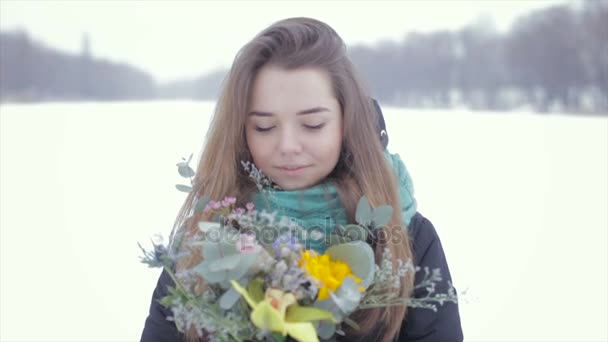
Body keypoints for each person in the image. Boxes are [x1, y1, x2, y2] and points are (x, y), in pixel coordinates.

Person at [141, 17, 462, 342]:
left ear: (348, 123)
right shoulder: (205, 237)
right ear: (241, 131)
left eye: (312, 125)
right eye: (264, 127)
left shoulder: (407, 238)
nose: (288, 147)